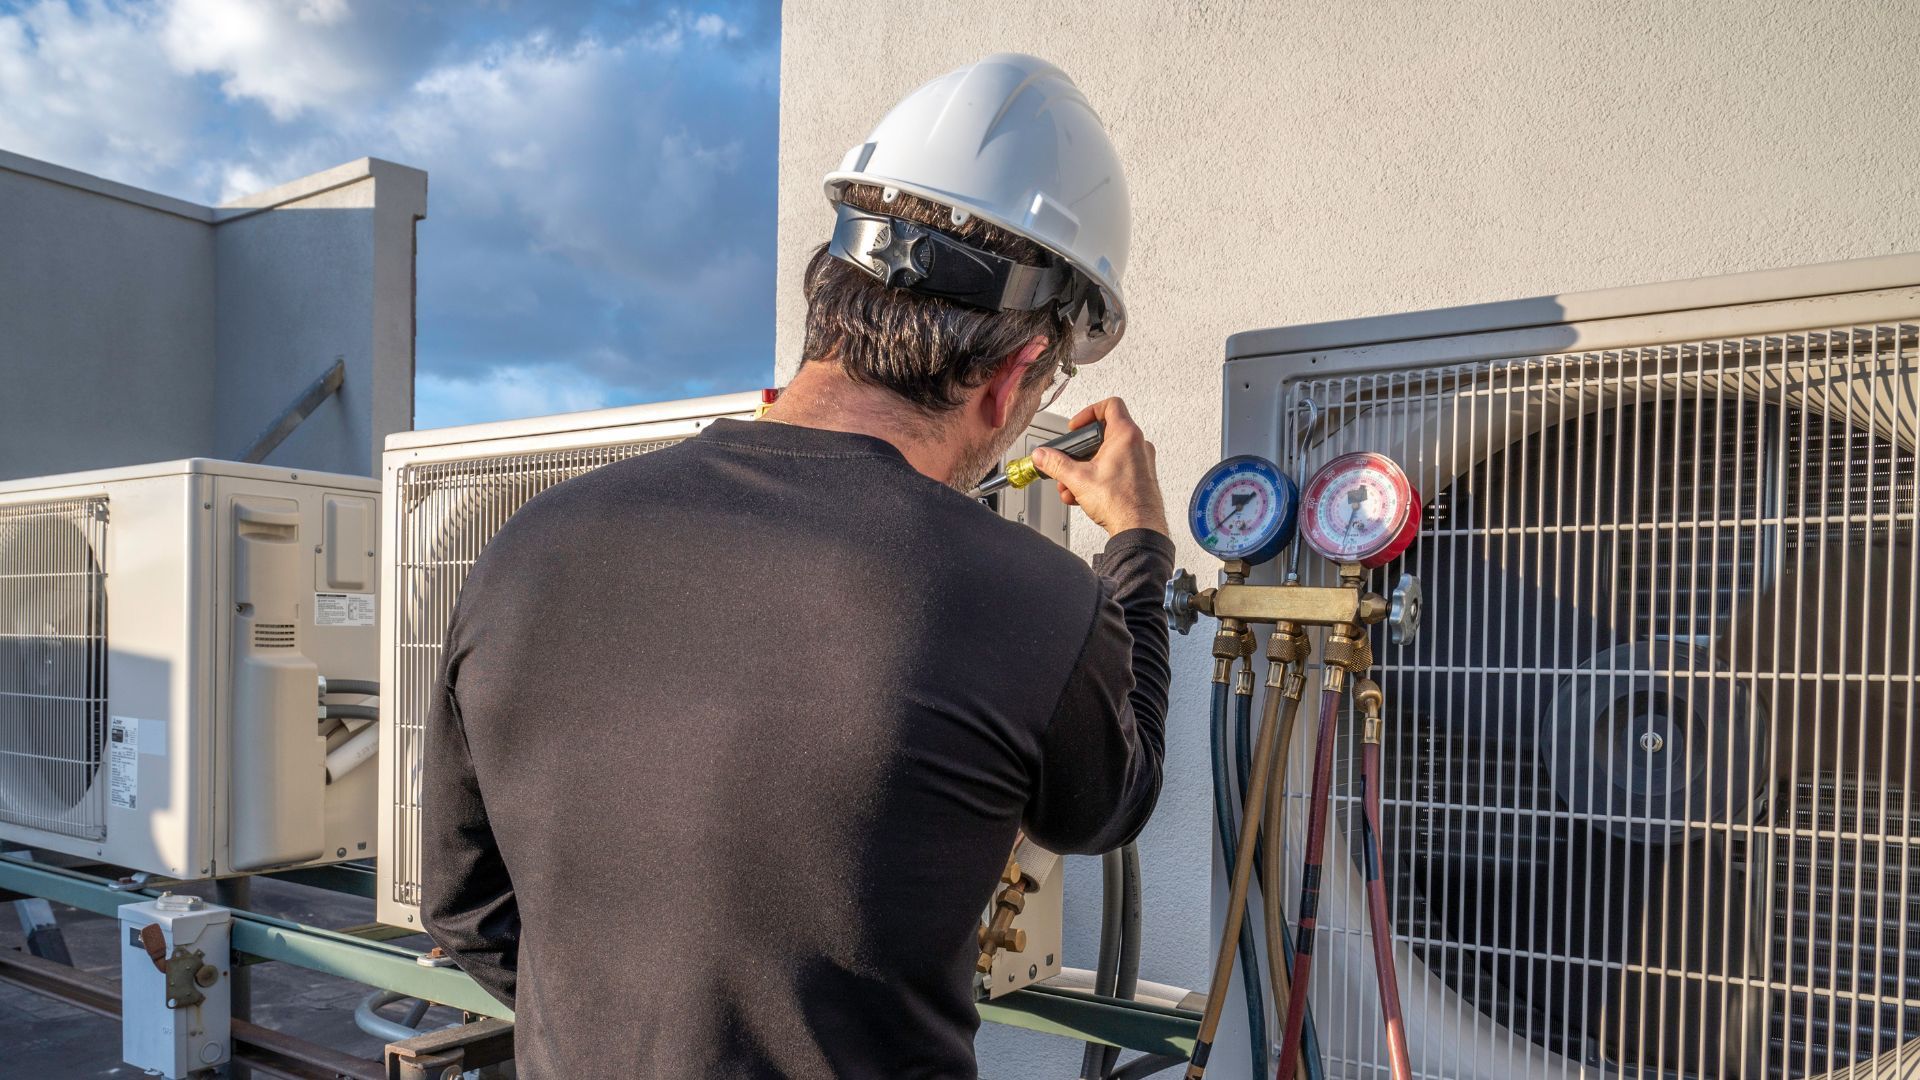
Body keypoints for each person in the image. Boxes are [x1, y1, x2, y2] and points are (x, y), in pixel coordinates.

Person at [421, 53, 1171, 1078]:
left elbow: (466, 909)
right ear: (1013, 381)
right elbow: (1107, 804)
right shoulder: (1031, 597)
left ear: (828, 299)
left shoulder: (531, 543)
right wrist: (1139, 547)